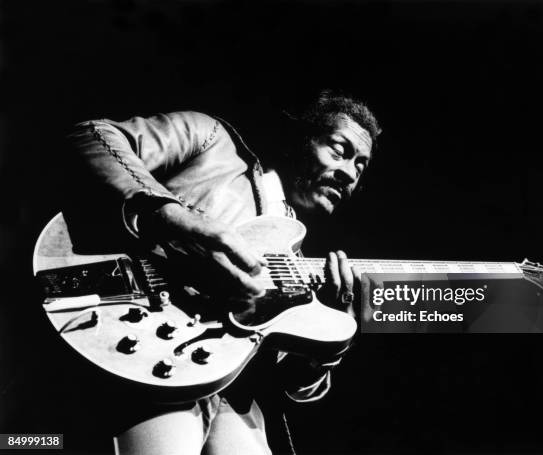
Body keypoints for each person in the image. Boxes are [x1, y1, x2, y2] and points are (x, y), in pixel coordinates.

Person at [65, 90, 381, 455]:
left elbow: (283, 380)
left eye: (360, 166)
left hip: (237, 404)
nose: (348, 174)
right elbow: (90, 135)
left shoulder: (295, 258)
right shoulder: (213, 140)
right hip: (146, 358)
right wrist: (171, 217)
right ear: (299, 139)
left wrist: (326, 343)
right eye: (340, 150)